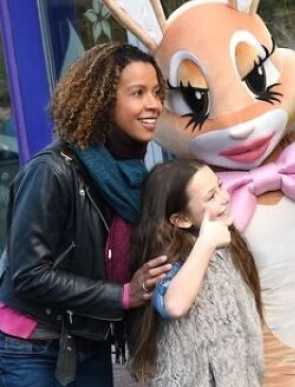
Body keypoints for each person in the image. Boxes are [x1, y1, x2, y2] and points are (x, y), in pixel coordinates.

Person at [0, 42, 173, 386]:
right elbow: (29, 274)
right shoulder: (52, 171)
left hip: (89, 339)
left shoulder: (132, 176)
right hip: (33, 347)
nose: (153, 104)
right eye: (137, 93)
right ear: (102, 101)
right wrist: (122, 295)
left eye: (156, 92)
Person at [127, 159, 263, 386]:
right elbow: (174, 305)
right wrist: (206, 244)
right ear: (180, 219)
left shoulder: (229, 243)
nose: (224, 197)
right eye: (211, 196)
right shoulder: (170, 254)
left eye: (220, 186)